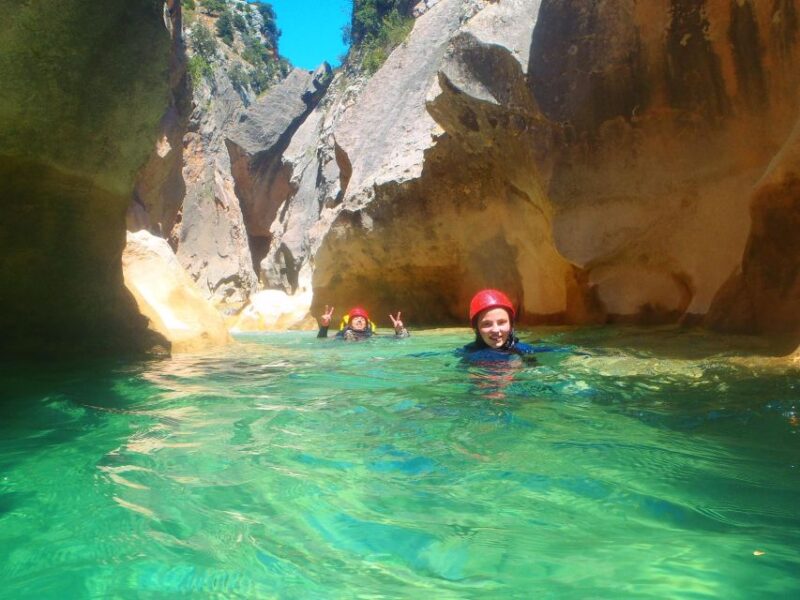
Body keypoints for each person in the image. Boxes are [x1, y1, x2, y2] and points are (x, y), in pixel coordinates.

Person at [459, 289, 537, 363]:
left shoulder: (525, 350)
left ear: (511, 325)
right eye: (487, 324)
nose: (495, 330)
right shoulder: (467, 353)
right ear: (476, 328)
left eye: (501, 322)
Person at [317, 305, 409, 340]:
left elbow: (396, 339)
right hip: (347, 356)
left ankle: (352, 339)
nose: (360, 320)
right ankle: (350, 339)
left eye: (362, 319)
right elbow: (321, 341)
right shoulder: (341, 335)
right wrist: (324, 327)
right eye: (356, 318)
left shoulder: (371, 335)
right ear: (349, 324)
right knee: (348, 334)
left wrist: (399, 331)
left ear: (367, 324)